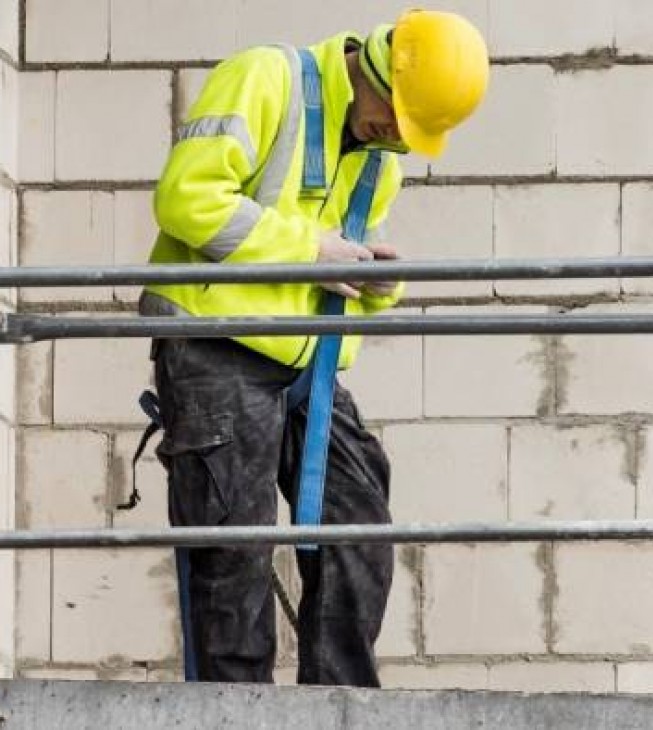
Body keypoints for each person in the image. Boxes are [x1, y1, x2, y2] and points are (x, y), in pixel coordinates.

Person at [138, 9, 489, 686]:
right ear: (374, 69)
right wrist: (309, 251)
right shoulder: (268, 77)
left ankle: (339, 706)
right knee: (235, 554)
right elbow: (185, 198)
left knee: (358, 531)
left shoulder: (380, 152)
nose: (396, 135)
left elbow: (340, 261)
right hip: (217, 349)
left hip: (310, 365)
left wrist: (378, 281)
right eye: (395, 115)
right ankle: (239, 714)